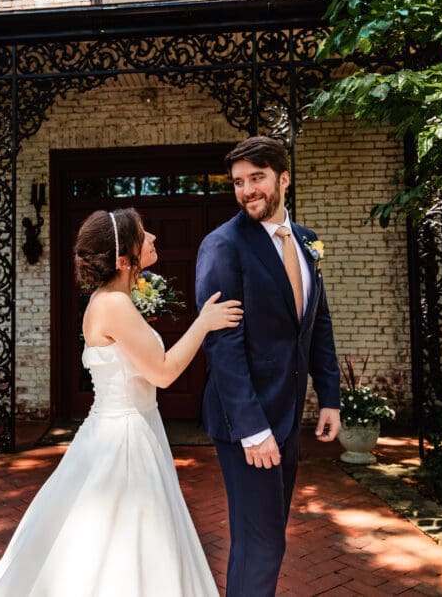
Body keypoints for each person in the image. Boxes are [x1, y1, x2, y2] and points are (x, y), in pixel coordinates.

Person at [0, 207, 242, 597]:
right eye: (143, 235)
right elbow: (163, 373)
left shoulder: (110, 300)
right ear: (123, 260)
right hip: (125, 440)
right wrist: (203, 323)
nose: (152, 237)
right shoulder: (113, 305)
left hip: (126, 426)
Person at [195, 135, 342, 597]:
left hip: (288, 414)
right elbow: (222, 344)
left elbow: (317, 324)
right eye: (238, 182)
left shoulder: (307, 242)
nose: (246, 191)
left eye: (256, 178)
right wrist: (252, 429)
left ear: (283, 179)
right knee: (261, 544)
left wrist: (330, 398)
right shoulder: (223, 245)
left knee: (268, 537)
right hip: (247, 422)